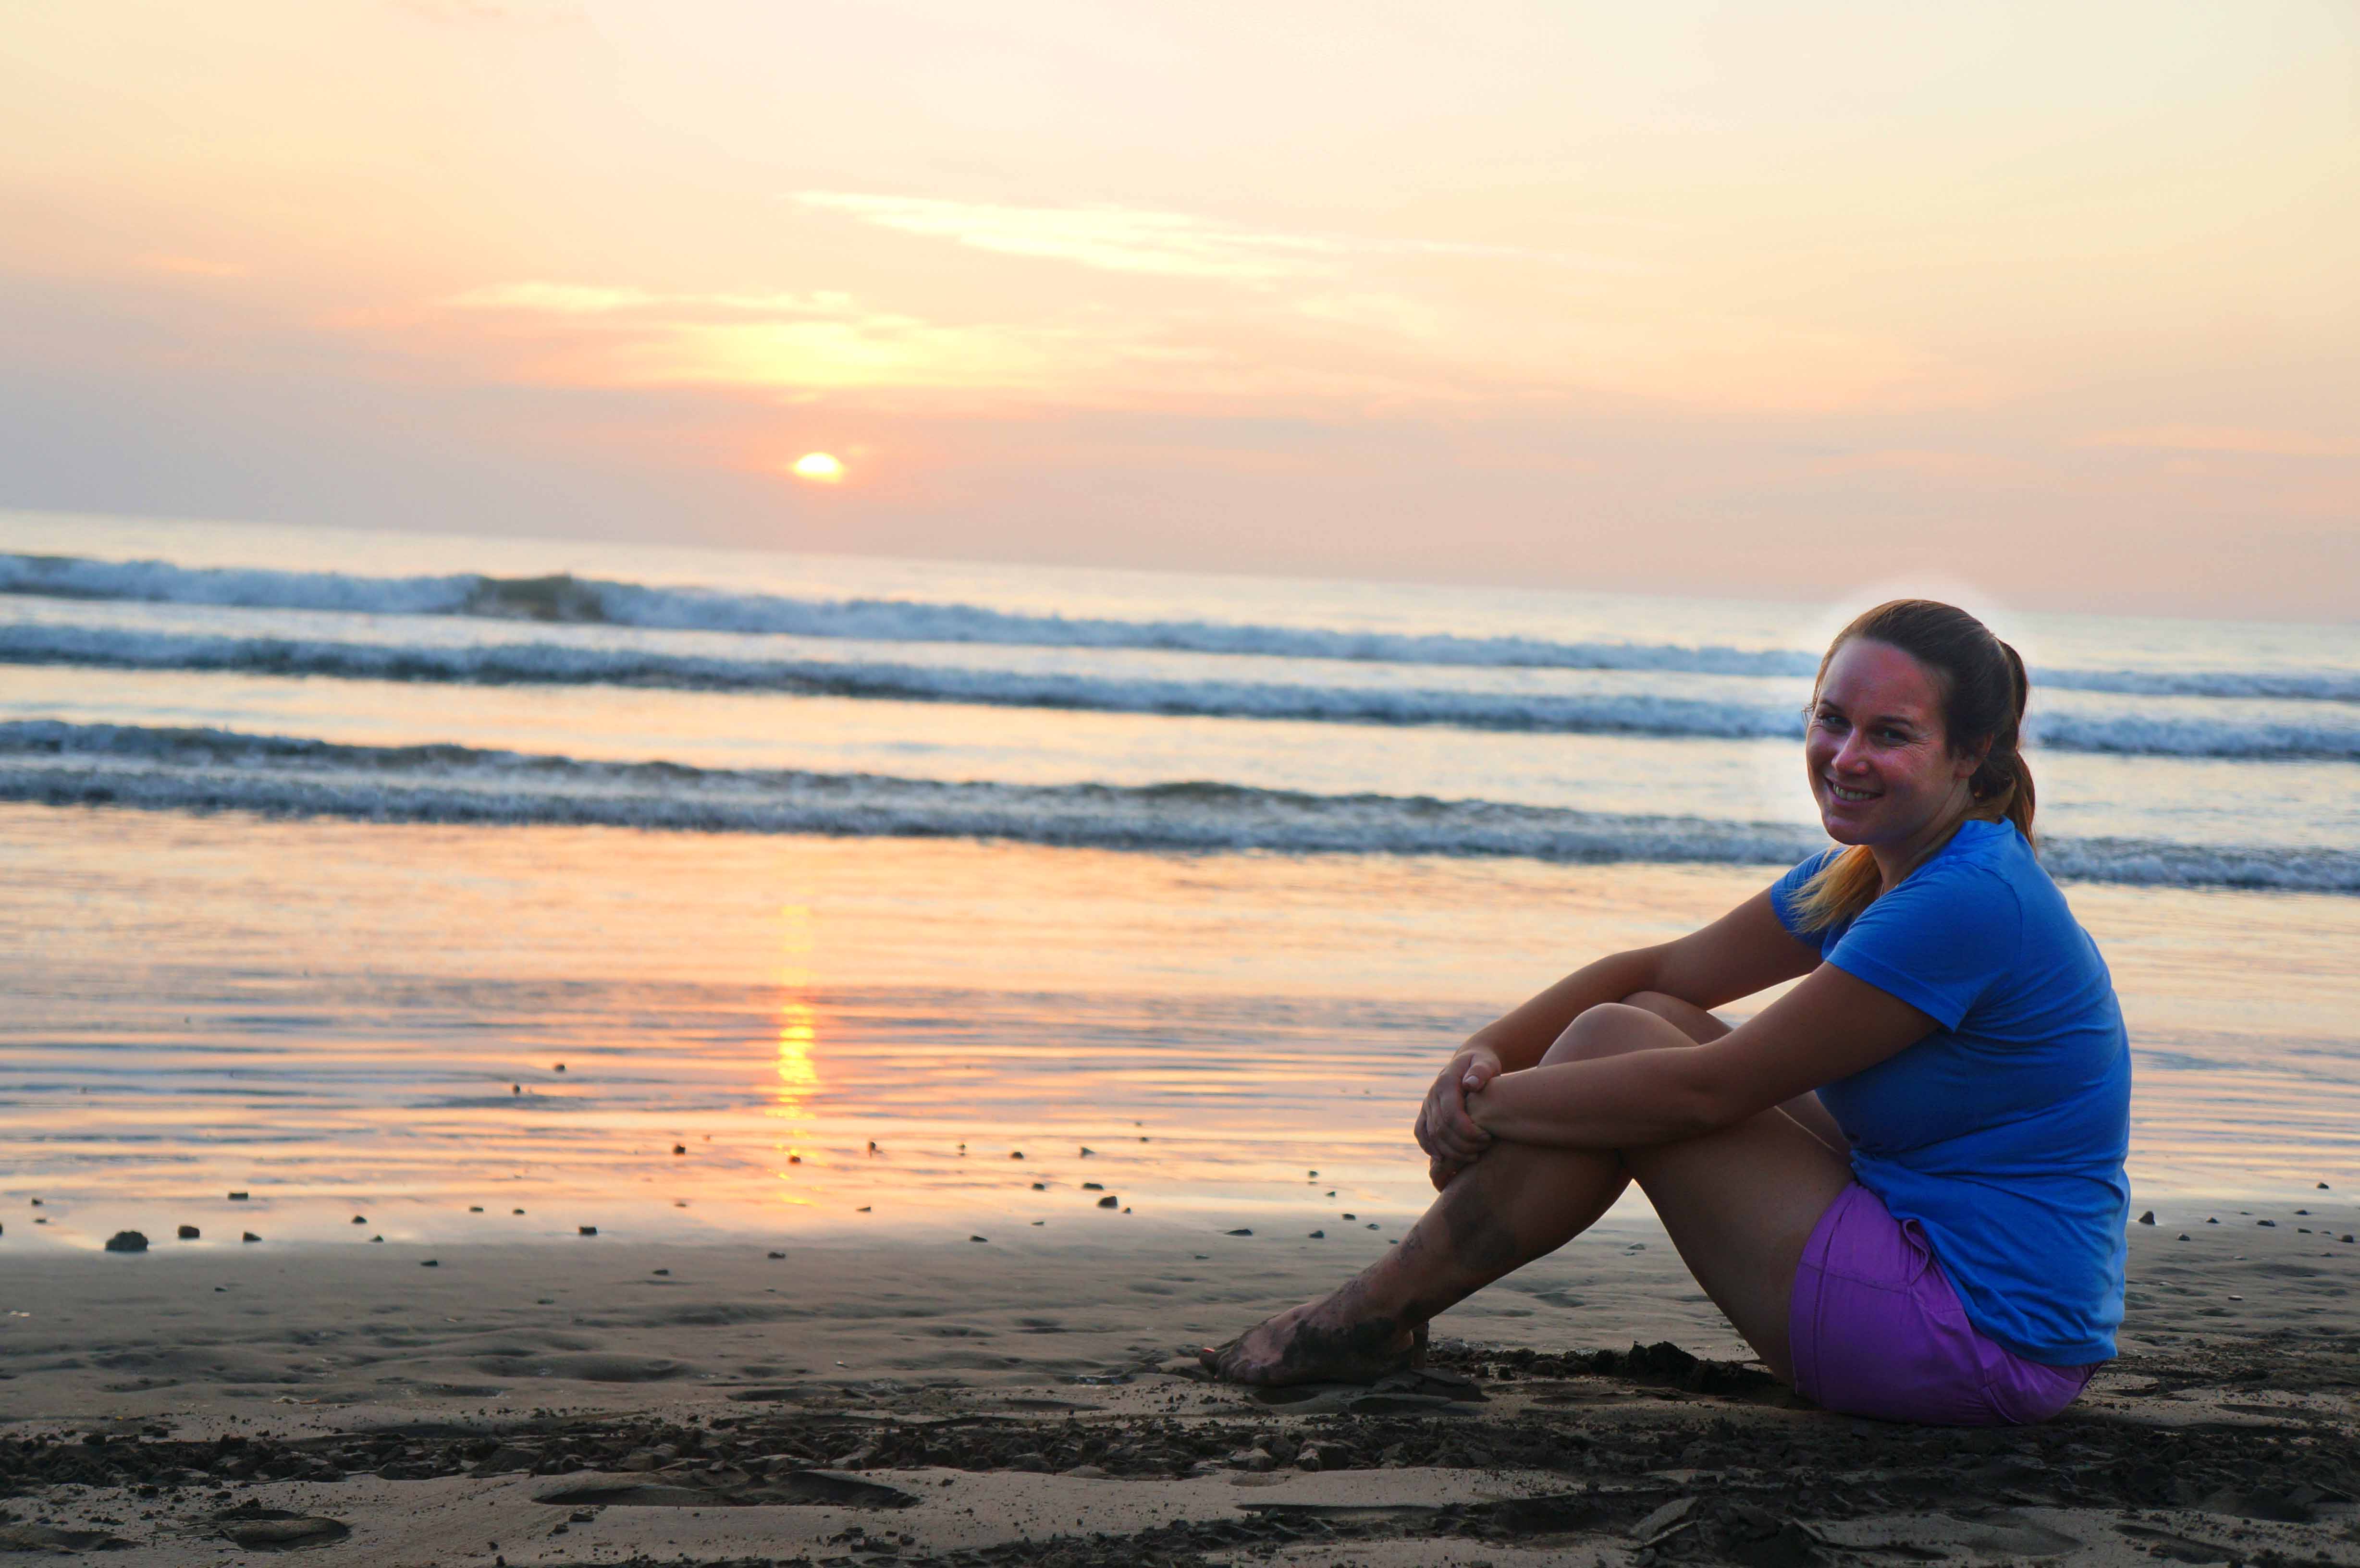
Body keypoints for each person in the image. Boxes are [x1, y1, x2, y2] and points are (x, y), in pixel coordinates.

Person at [1202, 599, 2130, 1426]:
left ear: (1972, 755)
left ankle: (1366, 1312)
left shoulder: (1964, 901)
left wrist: (1483, 1110)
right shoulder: (1876, 869)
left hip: (1975, 1341)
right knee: (1643, 1013)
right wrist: (1478, 1053)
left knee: (1638, 1061)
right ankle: (1381, 1311)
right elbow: (1658, 970)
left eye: (1890, 734)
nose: (1845, 758)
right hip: (1939, 1262)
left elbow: (1704, 1094)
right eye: (1830, 720)